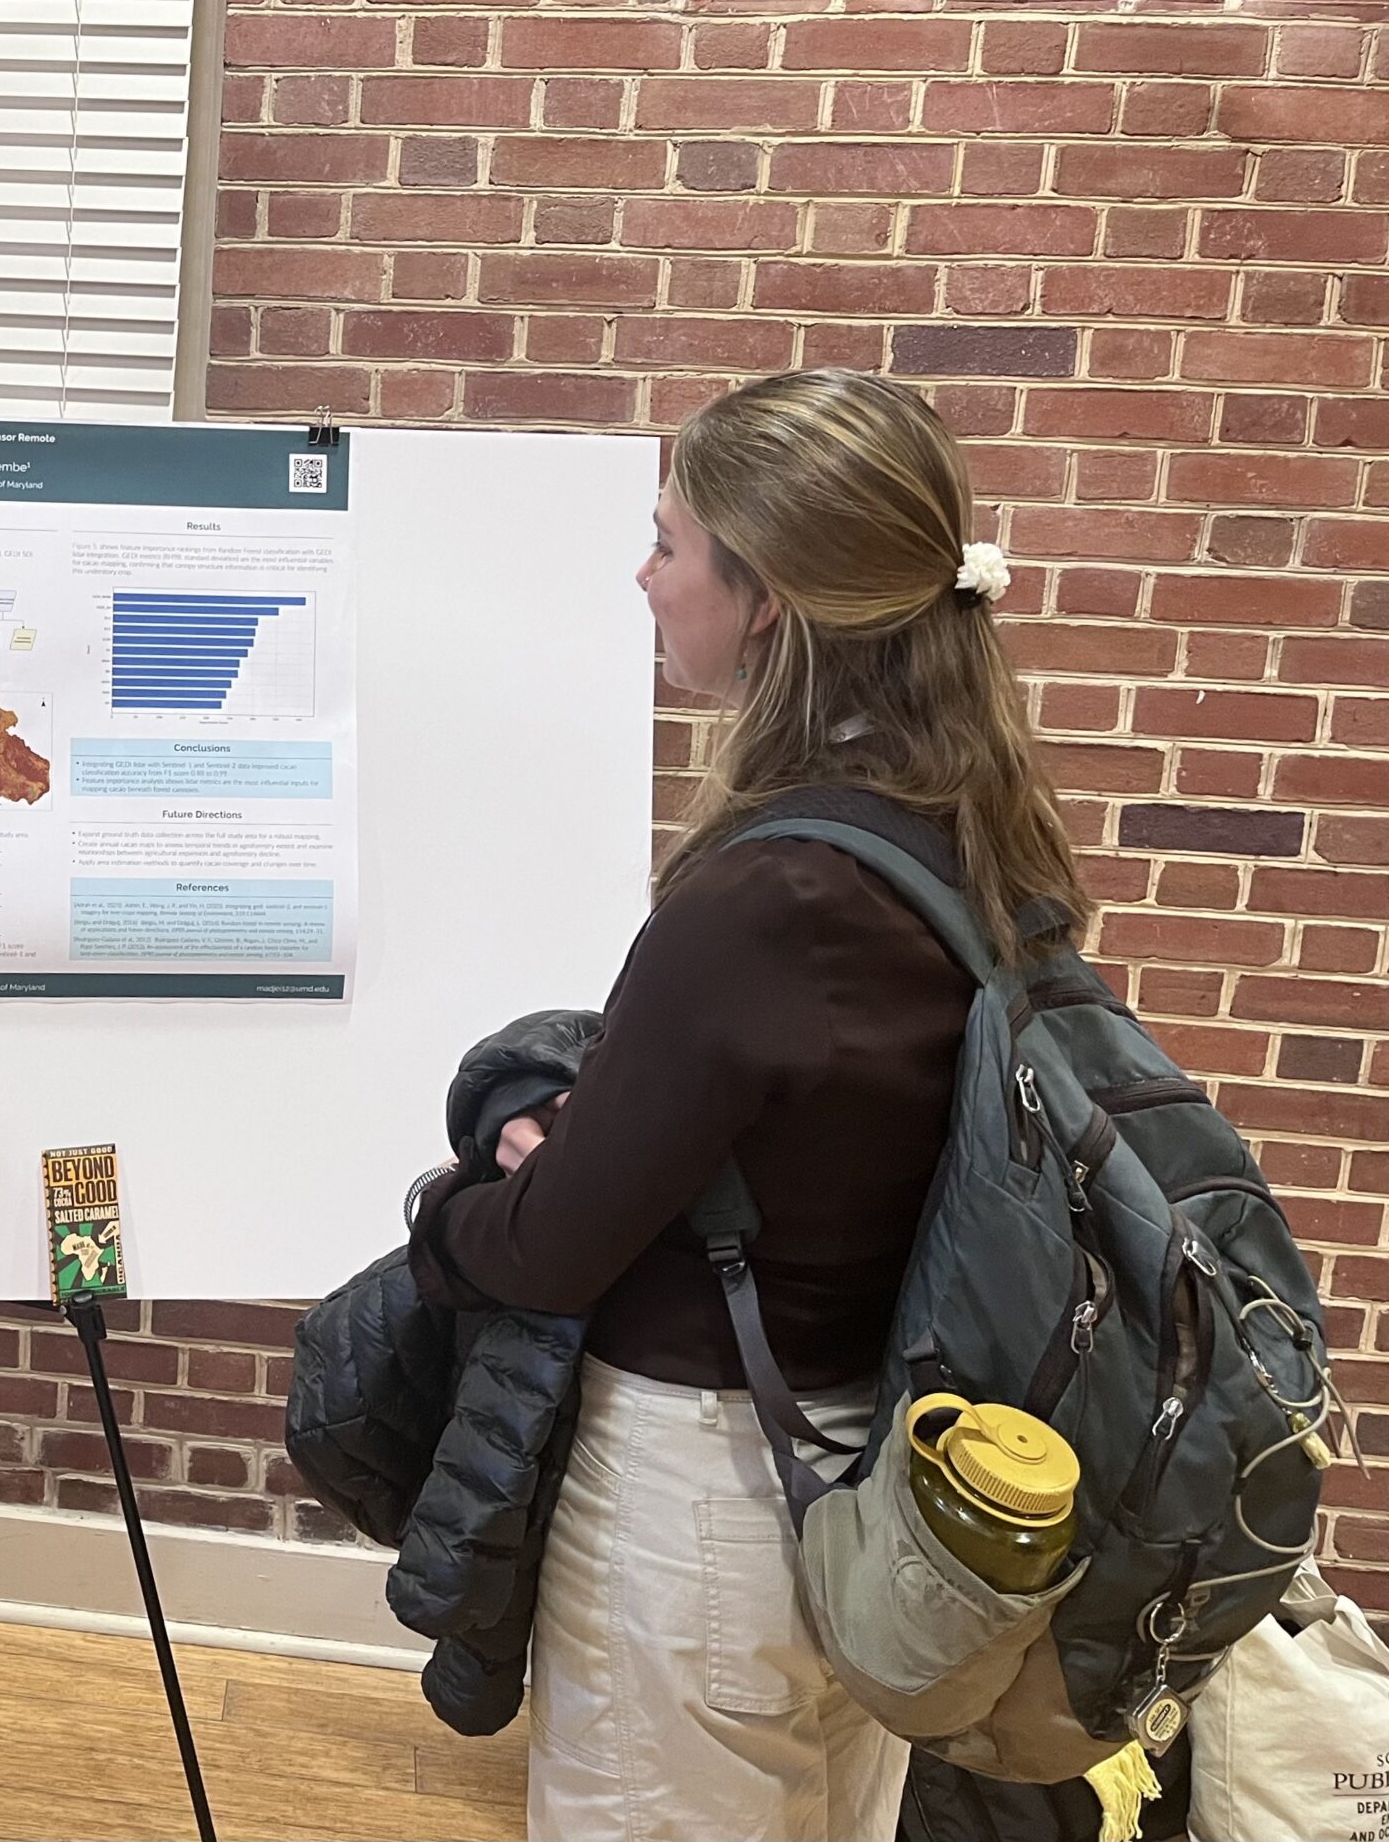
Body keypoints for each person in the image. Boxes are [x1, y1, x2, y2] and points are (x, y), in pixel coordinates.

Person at [408, 368, 1091, 1842]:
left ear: (766, 598)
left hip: (703, 1498)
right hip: (881, 1477)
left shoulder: (769, 892)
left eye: (668, 543)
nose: (644, 577)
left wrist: (451, 1212)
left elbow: (550, 1251)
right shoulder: (980, 835)